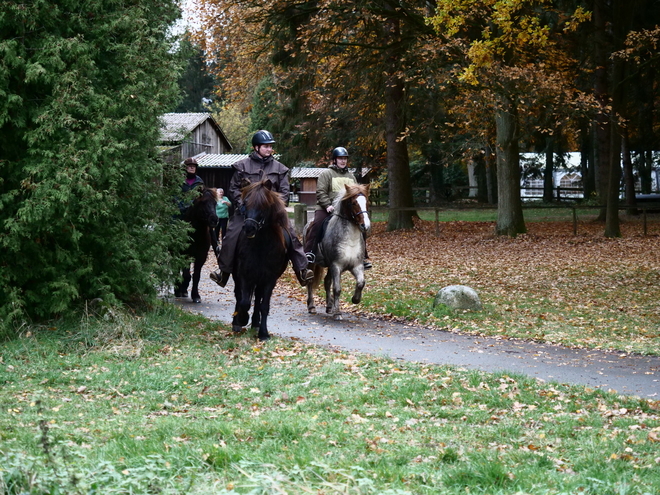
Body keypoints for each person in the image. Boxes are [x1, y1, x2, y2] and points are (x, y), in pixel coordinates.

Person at [209, 130, 313, 287]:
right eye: (266, 146)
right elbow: (234, 189)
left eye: (270, 147)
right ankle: (223, 272)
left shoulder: (280, 168)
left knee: (291, 235)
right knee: (231, 235)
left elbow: (285, 192)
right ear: (256, 147)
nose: (270, 149)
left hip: (272, 214)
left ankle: (302, 270)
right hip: (247, 212)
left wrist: (275, 208)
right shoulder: (242, 166)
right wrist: (242, 205)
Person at [303, 147, 371, 269]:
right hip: (326, 208)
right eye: (340, 159)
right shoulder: (326, 174)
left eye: (345, 159)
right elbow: (321, 192)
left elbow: (355, 194)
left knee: (362, 226)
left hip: (345, 211)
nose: (343, 161)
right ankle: (310, 252)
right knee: (317, 225)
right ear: (334, 160)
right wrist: (327, 205)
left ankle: (363, 256)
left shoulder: (351, 176)